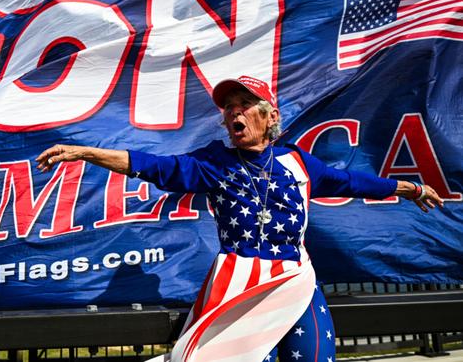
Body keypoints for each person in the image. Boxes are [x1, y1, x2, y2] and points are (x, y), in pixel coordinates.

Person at [36, 75, 443, 362]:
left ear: (268, 117)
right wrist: (88, 153)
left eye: (245, 105)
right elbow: (153, 166)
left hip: (295, 279)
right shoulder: (214, 162)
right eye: (230, 107)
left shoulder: (297, 161)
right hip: (241, 286)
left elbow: (349, 181)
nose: (235, 113)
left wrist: (410, 188)